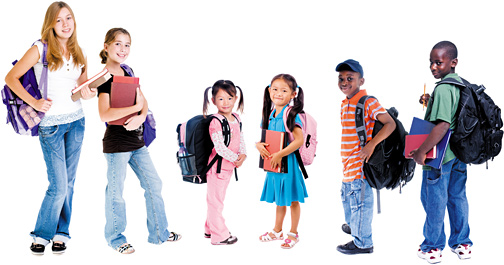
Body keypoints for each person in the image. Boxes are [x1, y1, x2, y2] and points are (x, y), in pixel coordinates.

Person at [5, 1, 96, 255]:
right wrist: (34, 101)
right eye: (59, 20)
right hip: (51, 126)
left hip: (77, 122)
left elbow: (79, 89)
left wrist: (89, 93)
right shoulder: (40, 49)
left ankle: (61, 233)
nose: (66, 24)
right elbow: (10, 77)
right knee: (58, 184)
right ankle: (42, 234)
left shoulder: (80, 52)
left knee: (69, 182)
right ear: (51, 24)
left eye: (69, 18)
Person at [97, 28, 181, 254]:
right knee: (115, 193)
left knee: (154, 184)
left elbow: (144, 99)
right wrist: (134, 108)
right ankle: (116, 238)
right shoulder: (104, 78)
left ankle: (159, 233)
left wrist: (141, 117)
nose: (123, 49)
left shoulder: (128, 71)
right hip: (117, 144)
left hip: (137, 142)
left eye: (127, 45)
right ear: (106, 47)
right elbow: (104, 115)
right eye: (118, 44)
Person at [411, 41, 472, 264]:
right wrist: (430, 102)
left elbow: (443, 125)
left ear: (453, 62)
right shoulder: (460, 85)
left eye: (439, 62)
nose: (433, 67)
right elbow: (454, 113)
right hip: (458, 154)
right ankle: (462, 243)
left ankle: (433, 247)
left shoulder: (444, 88)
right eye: (431, 62)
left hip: (439, 156)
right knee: (457, 198)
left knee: (434, 201)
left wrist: (420, 152)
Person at [335, 59, 396, 254]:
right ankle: (355, 226)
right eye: (341, 78)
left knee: (360, 201)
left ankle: (363, 242)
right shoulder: (345, 103)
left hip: (361, 163)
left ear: (361, 81)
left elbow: (390, 124)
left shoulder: (368, 102)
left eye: (350, 78)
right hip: (348, 162)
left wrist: (371, 145)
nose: (344, 82)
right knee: (347, 197)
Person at [257, 74, 308, 249]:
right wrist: (258, 145)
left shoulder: (291, 114)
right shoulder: (269, 113)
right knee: (280, 197)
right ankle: (277, 230)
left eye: (284, 90)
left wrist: (280, 154)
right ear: (269, 90)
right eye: (275, 89)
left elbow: (299, 140)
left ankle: (293, 233)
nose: (278, 93)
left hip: (289, 164)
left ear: (293, 94)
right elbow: (266, 136)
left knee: (292, 198)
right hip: (274, 164)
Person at [202, 80, 246, 245]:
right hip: (217, 168)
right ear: (213, 101)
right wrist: (236, 158)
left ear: (235, 98)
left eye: (229, 98)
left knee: (216, 199)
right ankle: (219, 236)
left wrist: (243, 154)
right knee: (216, 201)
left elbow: (240, 138)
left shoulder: (236, 118)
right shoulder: (216, 121)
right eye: (221, 99)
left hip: (228, 167)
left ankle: (209, 229)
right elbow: (219, 148)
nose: (225, 103)